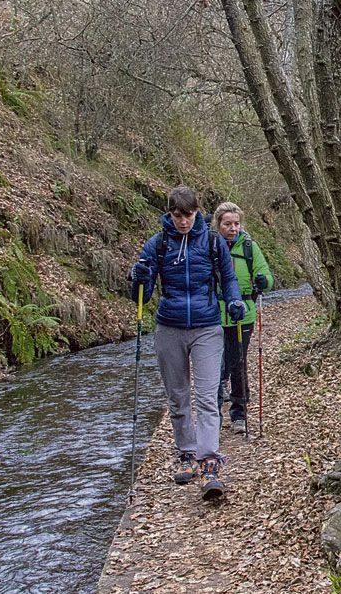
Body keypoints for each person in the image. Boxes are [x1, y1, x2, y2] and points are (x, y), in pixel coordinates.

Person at [129, 186, 245, 502]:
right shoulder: (158, 244)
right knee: (177, 396)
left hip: (207, 326)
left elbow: (228, 279)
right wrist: (138, 276)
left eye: (189, 215)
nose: (184, 221)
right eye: (178, 215)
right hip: (169, 326)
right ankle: (186, 453)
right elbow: (141, 290)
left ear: (198, 212)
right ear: (170, 213)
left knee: (207, 396)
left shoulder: (212, 242)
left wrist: (234, 301)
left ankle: (209, 461)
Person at [211, 201, 274, 435]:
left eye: (236, 223)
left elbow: (266, 273)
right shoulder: (210, 247)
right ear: (218, 225)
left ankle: (238, 413)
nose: (233, 228)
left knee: (237, 362)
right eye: (228, 224)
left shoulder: (249, 247)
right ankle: (213, 414)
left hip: (244, 314)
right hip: (214, 314)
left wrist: (263, 280)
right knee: (216, 367)